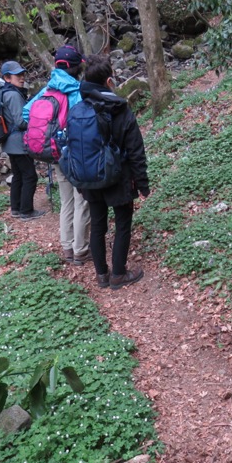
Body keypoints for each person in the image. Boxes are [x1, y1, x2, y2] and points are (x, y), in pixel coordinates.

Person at [79, 54, 149, 290]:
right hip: (119, 177)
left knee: (98, 225)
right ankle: (118, 274)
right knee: (122, 223)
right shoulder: (121, 109)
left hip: (89, 178)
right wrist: (142, 183)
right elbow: (136, 149)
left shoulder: (79, 109)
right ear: (109, 81)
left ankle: (101, 275)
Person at [23, 46, 90, 264]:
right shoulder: (77, 91)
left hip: (55, 154)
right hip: (76, 154)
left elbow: (26, 113)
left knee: (66, 201)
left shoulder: (47, 90)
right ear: (76, 67)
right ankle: (81, 250)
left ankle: (67, 248)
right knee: (82, 201)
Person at [1, 60, 45, 221]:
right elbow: (21, 122)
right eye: (17, 75)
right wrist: (38, 122)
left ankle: (16, 208)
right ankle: (26, 211)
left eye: (22, 74)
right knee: (30, 176)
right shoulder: (13, 95)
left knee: (18, 175)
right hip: (18, 143)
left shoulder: (6, 92)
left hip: (10, 143)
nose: (22, 78)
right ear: (7, 78)